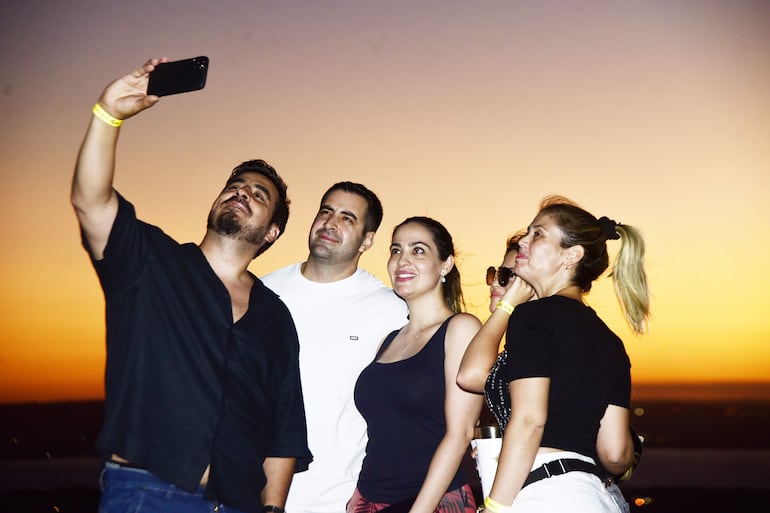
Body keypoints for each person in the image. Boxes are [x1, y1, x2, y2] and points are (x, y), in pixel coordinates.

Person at [71, 58, 311, 513]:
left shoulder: (274, 316)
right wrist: (108, 115)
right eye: (235, 186)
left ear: (272, 232)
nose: (242, 192)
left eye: (258, 195)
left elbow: (283, 426)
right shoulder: (149, 261)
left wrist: (272, 508)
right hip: (147, 492)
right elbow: (91, 200)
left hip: (237, 502)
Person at [458, 196, 649, 513]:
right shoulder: (610, 341)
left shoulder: (533, 317)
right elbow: (615, 453)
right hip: (591, 497)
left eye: (538, 234)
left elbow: (530, 420)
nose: (524, 240)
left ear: (572, 256)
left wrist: (494, 507)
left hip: (546, 495)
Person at [261, 182, 408, 513]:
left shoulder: (391, 310)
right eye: (326, 211)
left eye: (347, 218)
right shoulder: (263, 291)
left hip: (337, 499)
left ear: (367, 240)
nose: (330, 222)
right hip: (250, 492)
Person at [348, 217, 484, 513]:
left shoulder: (461, 328)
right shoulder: (389, 341)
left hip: (432, 502)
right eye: (396, 250)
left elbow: (460, 433)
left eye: (418, 251)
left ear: (445, 264)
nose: (402, 260)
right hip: (368, 501)